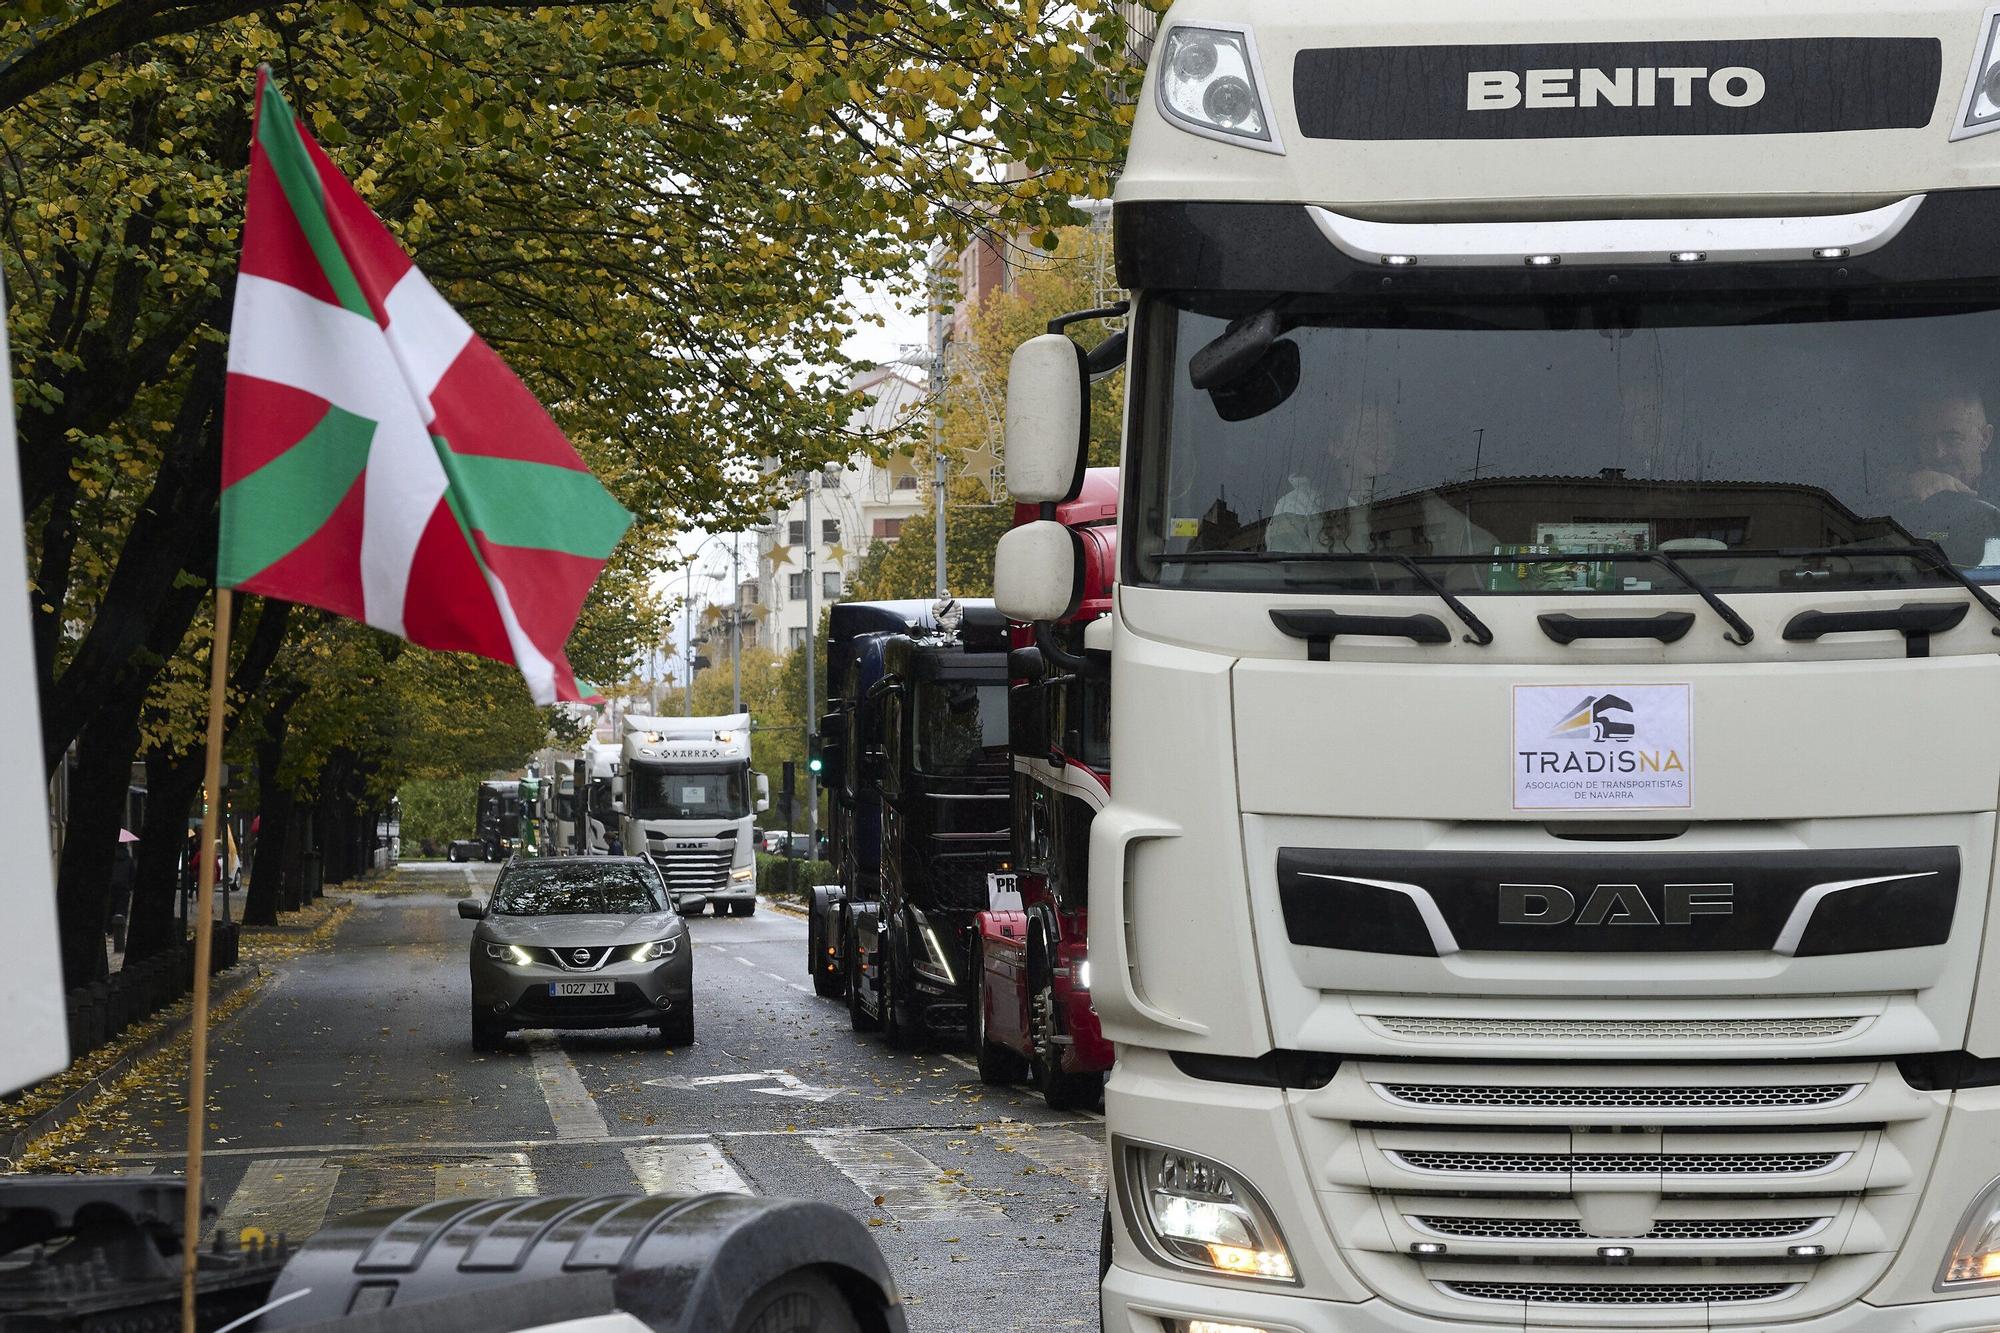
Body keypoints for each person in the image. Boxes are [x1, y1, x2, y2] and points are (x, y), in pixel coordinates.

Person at [1881, 383, 2000, 565]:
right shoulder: (1902, 494)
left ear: (1984, 438)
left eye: (1952, 438)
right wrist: (1903, 489)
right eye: (1926, 441)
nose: (1938, 453)